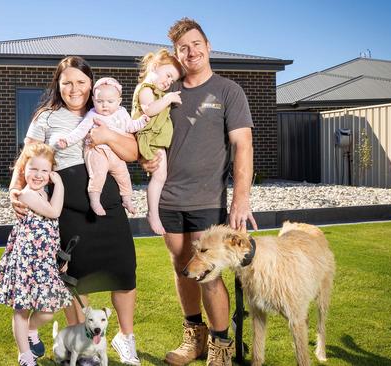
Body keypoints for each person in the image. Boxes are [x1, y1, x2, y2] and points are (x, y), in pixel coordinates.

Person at [9, 56, 142, 366]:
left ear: (91, 85)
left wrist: (108, 135)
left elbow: (133, 152)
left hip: (108, 208)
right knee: (75, 280)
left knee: (124, 273)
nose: (74, 88)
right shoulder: (47, 117)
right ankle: (83, 348)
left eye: (81, 82)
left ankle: (126, 337)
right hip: (68, 214)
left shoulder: (109, 111)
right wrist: (15, 191)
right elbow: (26, 157)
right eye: (67, 82)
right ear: (58, 84)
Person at [142, 18, 258, 366]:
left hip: (208, 201)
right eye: (183, 48)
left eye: (196, 44)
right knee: (183, 268)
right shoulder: (164, 94)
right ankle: (195, 337)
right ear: (176, 55)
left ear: (208, 47)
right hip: (169, 199)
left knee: (208, 275)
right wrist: (147, 160)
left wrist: (241, 198)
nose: (190, 52)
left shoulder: (228, 91)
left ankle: (222, 345)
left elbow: (243, 145)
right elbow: (147, 136)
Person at [0, 142, 74, 366]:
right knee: (22, 309)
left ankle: (31, 331)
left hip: (44, 261)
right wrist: (60, 185)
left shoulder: (42, 193)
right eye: (33, 169)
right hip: (26, 262)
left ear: (50, 172)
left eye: (44, 171)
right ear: (23, 169)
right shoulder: (26, 195)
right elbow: (55, 213)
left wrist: (58, 257)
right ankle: (25, 355)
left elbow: (49, 230)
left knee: (47, 309)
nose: (38, 175)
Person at [53, 77, 149, 216]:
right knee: (97, 175)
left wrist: (142, 121)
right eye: (100, 101)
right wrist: (67, 141)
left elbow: (130, 126)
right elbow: (80, 131)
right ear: (93, 100)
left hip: (115, 153)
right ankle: (95, 200)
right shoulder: (92, 114)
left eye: (110, 101)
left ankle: (127, 199)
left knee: (124, 175)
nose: (105, 105)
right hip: (97, 151)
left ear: (119, 101)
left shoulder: (122, 113)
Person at [130, 49, 183, 235]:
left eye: (171, 80)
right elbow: (149, 110)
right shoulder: (145, 89)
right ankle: (153, 213)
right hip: (150, 139)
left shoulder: (157, 91)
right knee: (159, 177)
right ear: (155, 66)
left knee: (161, 177)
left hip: (156, 139)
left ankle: (154, 211)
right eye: (168, 75)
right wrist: (168, 99)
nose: (168, 82)